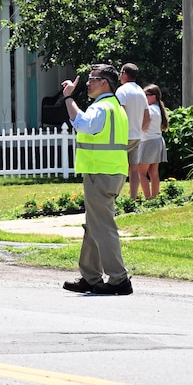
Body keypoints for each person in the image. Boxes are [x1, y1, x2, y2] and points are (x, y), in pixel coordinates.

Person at [62, 64, 132, 296]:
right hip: (110, 172)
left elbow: (82, 124)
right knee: (94, 226)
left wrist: (69, 99)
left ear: (105, 83)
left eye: (93, 79)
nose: (88, 83)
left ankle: (118, 279)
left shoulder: (102, 107)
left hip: (100, 173)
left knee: (102, 227)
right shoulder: (114, 107)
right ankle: (90, 277)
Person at [116, 63, 149, 203]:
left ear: (124, 73)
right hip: (137, 135)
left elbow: (120, 113)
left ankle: (114, 196)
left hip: (123, 135)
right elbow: (147, 116)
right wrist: (140, 129)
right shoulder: (141, 91)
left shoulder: (121, 91)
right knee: (133, 168)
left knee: (118, 167)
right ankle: (133, 197)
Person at [140, 84, 168, 200]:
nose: (144, 97)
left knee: (140, 172)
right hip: (157, 141)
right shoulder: (158, 109)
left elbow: (144, 127)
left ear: (154, 96)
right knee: (153, 172)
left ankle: (148, 198)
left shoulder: (150, 110)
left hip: (148, 142)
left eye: (146, 95)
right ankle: (154, 198)